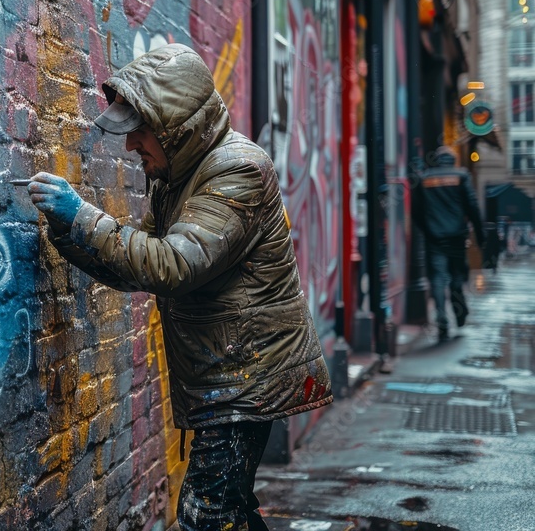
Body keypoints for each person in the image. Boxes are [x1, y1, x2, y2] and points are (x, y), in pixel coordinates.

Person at [24, 44, 332, 531]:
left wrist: (85, 218)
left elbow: (173, 265)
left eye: (140, 132)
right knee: (226, 512)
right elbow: (138, 265)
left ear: (176, 128)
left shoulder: (237, 170)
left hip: (244, 381)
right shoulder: (177, 176)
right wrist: (71, 234)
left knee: (205, 518)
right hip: (227, 375)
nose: (131, 147)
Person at [412, 147, 486, 342]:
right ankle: (458, 312)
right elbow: (472, 205)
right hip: (456, 235)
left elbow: (416, 211)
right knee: (456, 276)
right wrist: (480, 234)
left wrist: (427, 229)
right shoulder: (461, 176)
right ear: (452, 161)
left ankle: (441, 317)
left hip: (434, 236)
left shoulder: (425, 178)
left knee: (437, 277)